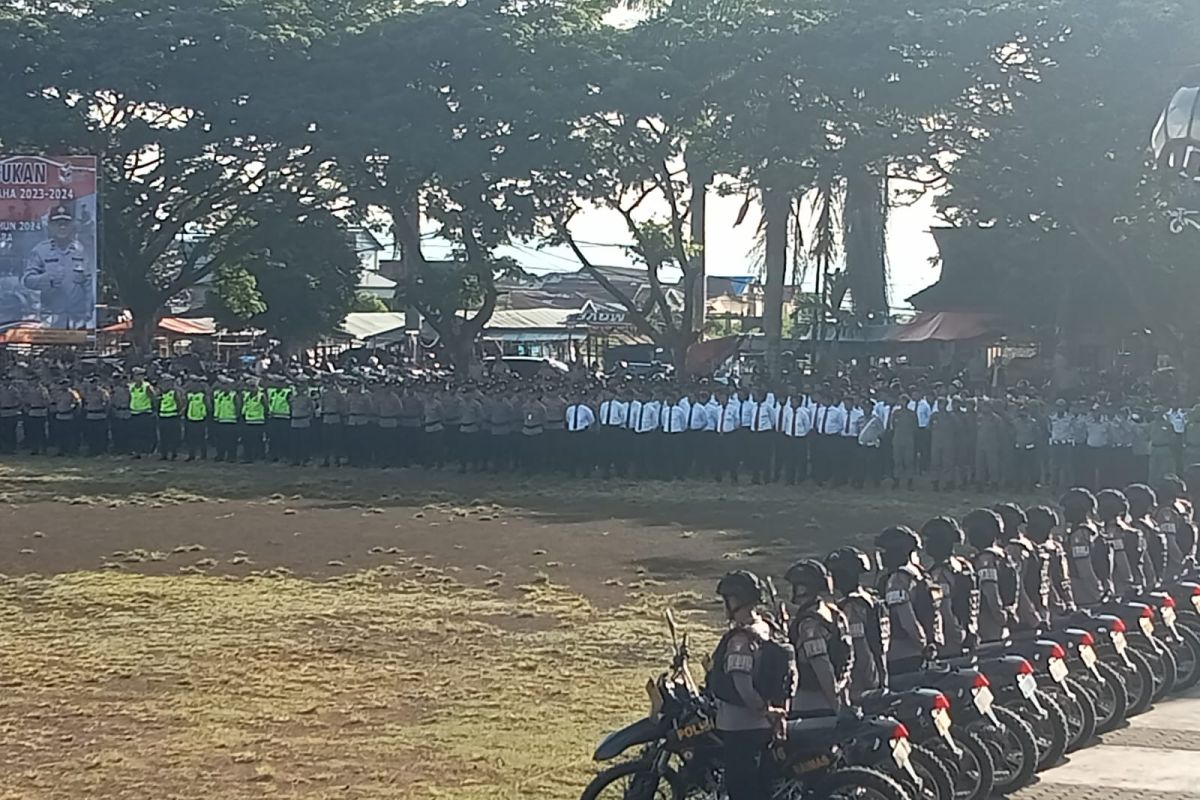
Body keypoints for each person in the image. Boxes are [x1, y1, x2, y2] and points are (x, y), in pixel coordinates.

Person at [708, 571, 788, 800]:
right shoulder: (766, 627)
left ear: (736, 600)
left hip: (740, 727)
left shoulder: (741, 640)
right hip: (763, 728)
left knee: (742, 791)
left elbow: (742, 685)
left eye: (728, 600)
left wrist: (765, 710)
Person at [784, 559, 849, 716]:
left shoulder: (810, 624)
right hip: (838, 694)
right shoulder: (834, 613)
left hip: (812, 705)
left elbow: (822, 667)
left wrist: (837, 706)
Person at [875, 526, 942, 675]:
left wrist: (922, 644)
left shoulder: (898, 580)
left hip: (902, 655)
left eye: (886, 551)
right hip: (924, 651)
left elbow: (907, 620)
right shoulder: (920, 574)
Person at [825, 547, 888, 702]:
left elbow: (859, 649)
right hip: (880, 670)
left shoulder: (851, 607)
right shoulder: (870, 600)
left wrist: (870, 683)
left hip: (862, 684)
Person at [22, 204, 94, 329]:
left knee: (78, 348)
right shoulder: (40, 251)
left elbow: (87, 284)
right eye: (57, 223)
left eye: (65, 223)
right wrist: (46, 279)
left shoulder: (79, 250)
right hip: (50, 320)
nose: (62, 227)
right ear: (50, 226)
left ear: (72, 226)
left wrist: (88, 312)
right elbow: (27, 280)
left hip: (76, 320)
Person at [963, 508, 1015, 642]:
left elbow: (990, 592)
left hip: (989, 625)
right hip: (1002, 622)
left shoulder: (986, 559)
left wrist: (1001, 617)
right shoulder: (1002, 555)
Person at [995, 502, 1049, 631]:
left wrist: (1033, 618)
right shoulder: (1028, 545)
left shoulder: (1013, 549)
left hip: (1023, 620)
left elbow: (1019, 590)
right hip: (1039, 612)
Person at [1026, 505, 1076, 622]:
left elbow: (1059, 580)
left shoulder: (1047, 550)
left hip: (1050, 610)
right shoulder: (1054, 548)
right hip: (1050, 608)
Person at [1062, 488, 1107, 607]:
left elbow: (1084, 570)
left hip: (1085, 595)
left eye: (1068, 509)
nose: (1065, 513)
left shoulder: (1080, 535)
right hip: (1095, 590)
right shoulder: (1094, 529)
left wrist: (1097, 593)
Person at [1097, 489, 1145, 598]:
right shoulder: (1135, 532)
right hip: (1135, 586)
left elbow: (1122, 562)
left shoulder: (1112, 533)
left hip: (1119, 591)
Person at [1154, 474, 1193, 581]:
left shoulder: (1166, 511)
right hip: (1182, 561)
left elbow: (1170, 541)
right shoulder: (1180, 508)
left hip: (1176, 565)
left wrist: (1180, 562)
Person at [890, 394, 918, 490]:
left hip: (908, 439)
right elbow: (893, 425)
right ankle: (896, 480)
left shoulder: (912, 414)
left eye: (904, 401)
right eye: (901, 400)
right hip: (897, 439)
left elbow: (915, 426)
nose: (902, 403)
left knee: (908, 461)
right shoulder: (896, 413)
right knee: (897, 460)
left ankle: (909, 481)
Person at [80, 375, 110, 456]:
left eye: (94, 382)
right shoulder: (88, 393)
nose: (92, 384)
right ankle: (92, 450)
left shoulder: (102, 392)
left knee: (100, 435)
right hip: (90, 415)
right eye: (91, 383)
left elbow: (106, 404)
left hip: (100, 415)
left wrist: (106, 413)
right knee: (91, 435)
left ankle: (102, 450)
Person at [183, 374, 210, 461]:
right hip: (190, 419)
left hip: (201, 419)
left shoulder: (203, 396)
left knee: (201, 438)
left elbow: (208, 406)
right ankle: (192, 455)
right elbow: (185, 405)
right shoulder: (189, 395)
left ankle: (203, 455)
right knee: (190, 439)